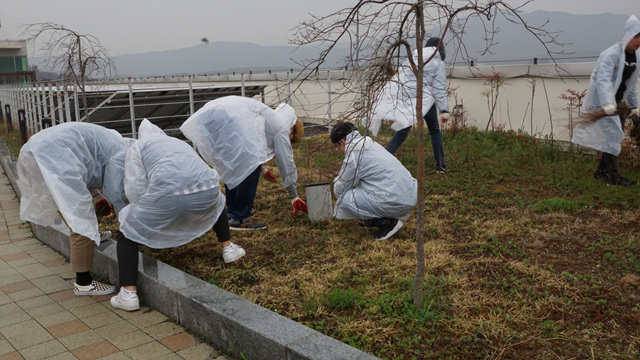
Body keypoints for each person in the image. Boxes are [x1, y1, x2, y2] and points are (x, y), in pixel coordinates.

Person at [110, 119, 244, 312]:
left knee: (127, 230)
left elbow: (135, 188)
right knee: (218, 201)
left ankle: (128, 293)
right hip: (208, 189)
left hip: (169, 195)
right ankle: (229, 248)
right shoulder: (177, 142)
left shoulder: (138, 147)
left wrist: (144, 211)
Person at [17, 122, 131, 296]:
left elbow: (85, 169)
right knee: (80, 215)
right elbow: (115, 192)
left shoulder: (112, 143)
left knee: (68, 204)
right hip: (52, 154)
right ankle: (83, 283)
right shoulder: (120, 153)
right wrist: (128, 218)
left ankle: (90, 236)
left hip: (37, 150)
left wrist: (98, 198)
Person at [180, 95, 308, 230]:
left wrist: (262, 169)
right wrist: (294, 195)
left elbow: (251, 146)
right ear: (292, 129)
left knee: (235, 166)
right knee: (250, 169)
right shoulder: (282, 127)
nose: (289, 142)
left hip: (214, 112)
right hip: (222, 116)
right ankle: (241, 218)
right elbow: (286, 162)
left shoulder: (269, 117)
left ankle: (232, 211)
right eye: (291, 139)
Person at [572, 15, 640, 186]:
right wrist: (607, 104)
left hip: (619, 105)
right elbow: (603, 80)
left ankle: (600, 173)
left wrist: (633, 105)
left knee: (613, 138)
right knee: (612, 138)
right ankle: (615, 178)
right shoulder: (611, 55)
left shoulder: (635, 57)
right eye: (636, 36)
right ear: (627, 35)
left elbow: (631, 82)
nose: (638, 40)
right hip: (603, 104)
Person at [368, 37, 450, 172]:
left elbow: (402, 77)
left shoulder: (414, 57)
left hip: (411, 102)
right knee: (435, 132)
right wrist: (444, 109)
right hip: (427, 103)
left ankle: (384, 159)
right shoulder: (437, 62)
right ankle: (440, 165)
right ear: (439, 48)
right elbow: (439, 87)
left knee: (402, 132)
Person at [330, 122, 418, 241]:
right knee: (363, 187)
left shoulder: (354, 156)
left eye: (337, 146)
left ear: (343, 142)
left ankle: (386, 222)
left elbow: (342, 186)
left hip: (393, 199)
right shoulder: (370, 144)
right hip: (409, 194)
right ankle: (372, 219)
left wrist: (336, 184)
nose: (338, 150)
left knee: (345, 199)